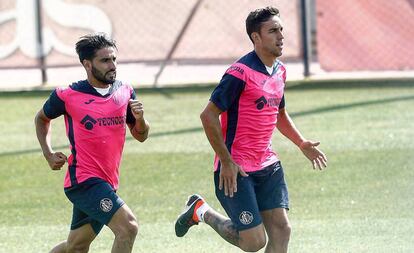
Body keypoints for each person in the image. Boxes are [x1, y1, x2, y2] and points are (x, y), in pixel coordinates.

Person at [175, 6, 327, 253]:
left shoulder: (280, 70)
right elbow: (208, 116)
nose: (281, 36)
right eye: (273, 31)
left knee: (282, 231)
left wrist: (301, 143)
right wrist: (226, 161)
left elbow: (278, 113)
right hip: (237, 169)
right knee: (254, 242)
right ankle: (201, 211)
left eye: (281, 30)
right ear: (256, 37)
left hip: (268, 165)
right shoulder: (239, 73)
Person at [35, 33, 150, 253]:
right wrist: (48, 153)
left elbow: (141, 135)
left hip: (107, 182)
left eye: (114, 59)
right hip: (84, 181)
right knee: (128, 227)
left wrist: (141, 119)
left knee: (76, 246)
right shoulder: (67, 94)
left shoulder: (124, 91)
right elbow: (41, 118)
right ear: (87, 64)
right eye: (105, 60)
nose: (112, 65)